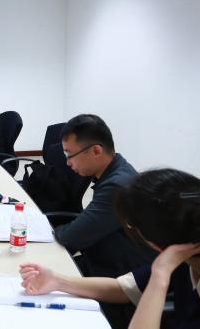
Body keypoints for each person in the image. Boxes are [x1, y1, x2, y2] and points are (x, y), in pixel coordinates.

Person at [20, 168, 200, 329]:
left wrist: (160, 275)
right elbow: (123, 288)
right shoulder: (186, 250)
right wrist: (57, 281)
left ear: (154, 242)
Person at [55, 114, 154, 279]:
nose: (68, 162)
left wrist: (55, 231)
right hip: (107, 257)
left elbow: (71, 237)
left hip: (121, 275)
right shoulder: (116, 170)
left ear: (96, 151)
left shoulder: (117, 186)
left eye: (70, 155)